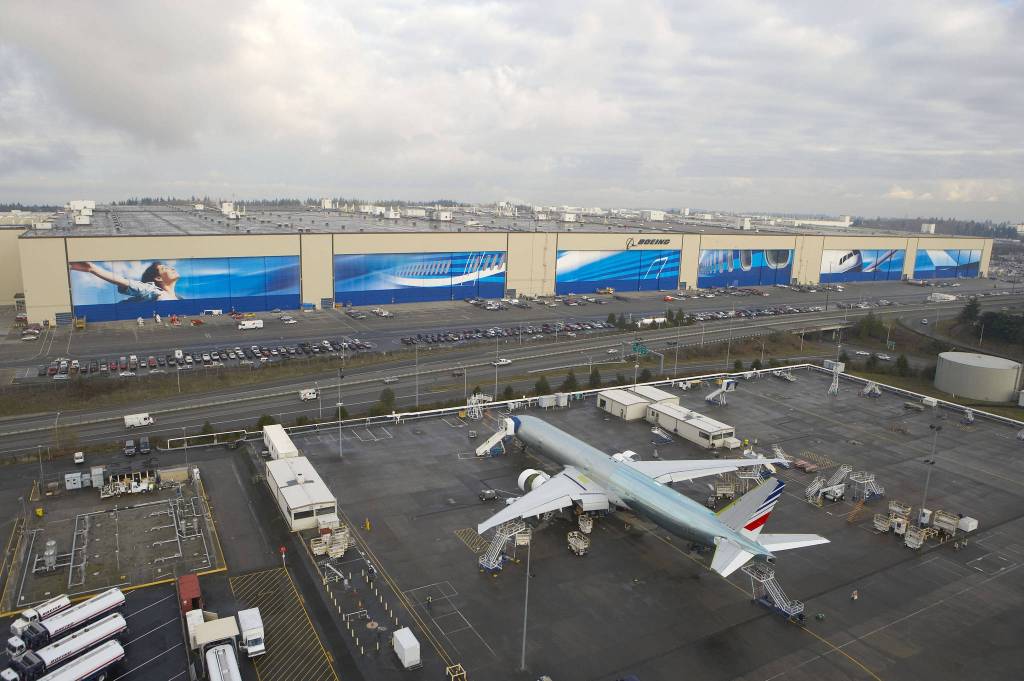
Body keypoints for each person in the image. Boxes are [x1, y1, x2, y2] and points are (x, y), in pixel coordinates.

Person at [70, 260, 181, 301]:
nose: (172, 268)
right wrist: (92, 269)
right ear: (158, 278)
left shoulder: (179, 298)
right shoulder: (153, 290)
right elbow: (124, 281)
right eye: (164, 268)